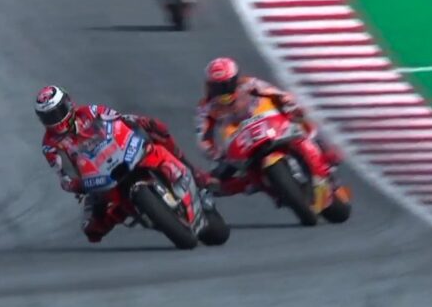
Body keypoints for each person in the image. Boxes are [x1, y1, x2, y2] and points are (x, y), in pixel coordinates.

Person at [36, 85, 210, 243]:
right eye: (48, 116)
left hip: (121, 153)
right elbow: (63, 174)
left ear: (68, 104)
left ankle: (190, 168)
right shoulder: (50, 145)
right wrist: (75, 184)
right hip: (96, 178)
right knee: (92, 230)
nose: (55, 119)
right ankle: (128, 211)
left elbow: (117, 118)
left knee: (158, 128)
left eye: (57, 112)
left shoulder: (89, 112)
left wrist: (138, 121)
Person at [195, 57, 340, 197]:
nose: (222, 91)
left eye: (226, 85)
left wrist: (287, 102)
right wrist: (216, 154)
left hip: (267, 122)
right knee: (215, 183)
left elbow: (274, 92)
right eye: (217, 87)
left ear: (235, 80)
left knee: (298, 118)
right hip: (240, 140)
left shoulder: (248, 84)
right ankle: (255, 184)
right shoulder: (206, 108)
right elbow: (203, 137)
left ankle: (323, 151)